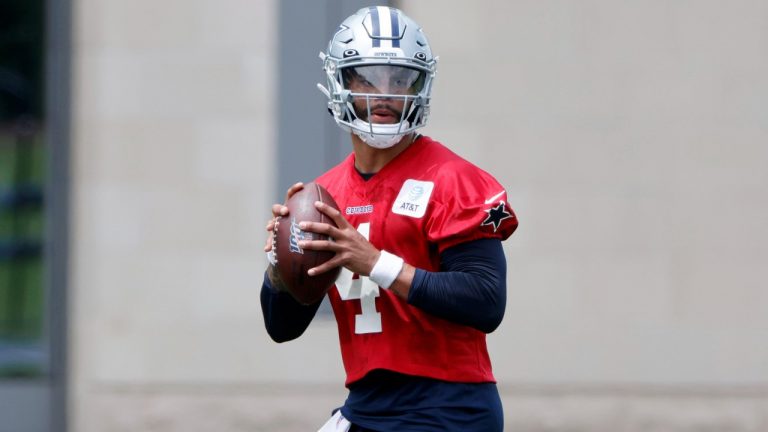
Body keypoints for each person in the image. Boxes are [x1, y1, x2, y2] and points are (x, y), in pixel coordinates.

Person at [261, 6, 518, 432]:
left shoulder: (453, 179)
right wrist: (280, 266)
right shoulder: (326, 193)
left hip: (448, 409)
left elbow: (486, 300)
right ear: (340, 83)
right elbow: (281, 327)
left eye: (400, 79)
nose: (385, 93)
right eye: (368, 77)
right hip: (366, 408)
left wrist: (375, 262)